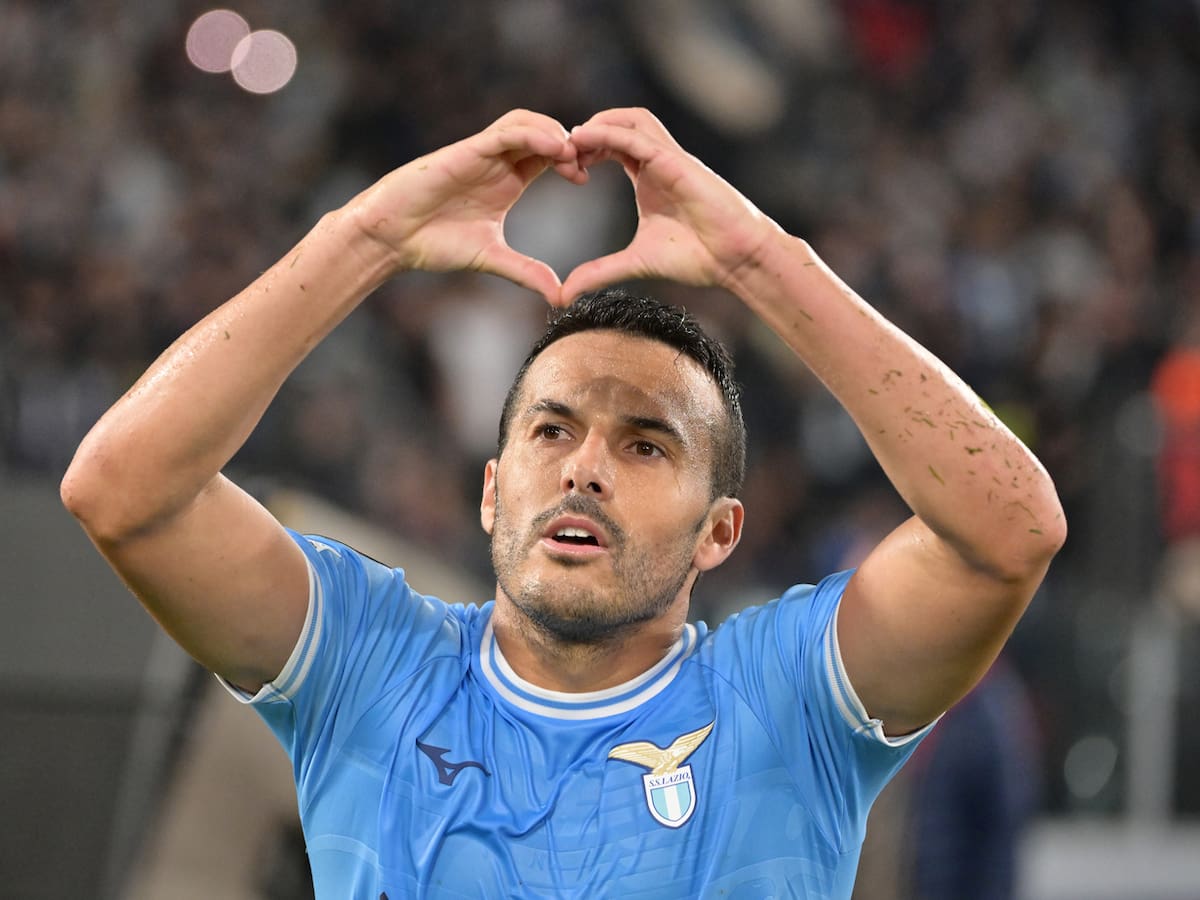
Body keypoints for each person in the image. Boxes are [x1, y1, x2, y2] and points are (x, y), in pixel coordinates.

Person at [62, 108, 1065, 898]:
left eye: (645, 444)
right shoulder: (368, 667)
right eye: (551, 431)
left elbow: (1009, 534)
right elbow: (123, 493)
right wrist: (364, 238)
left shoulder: (789, 698)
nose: (585, 468)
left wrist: (762, 262)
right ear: (492, 491)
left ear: (720, 531)